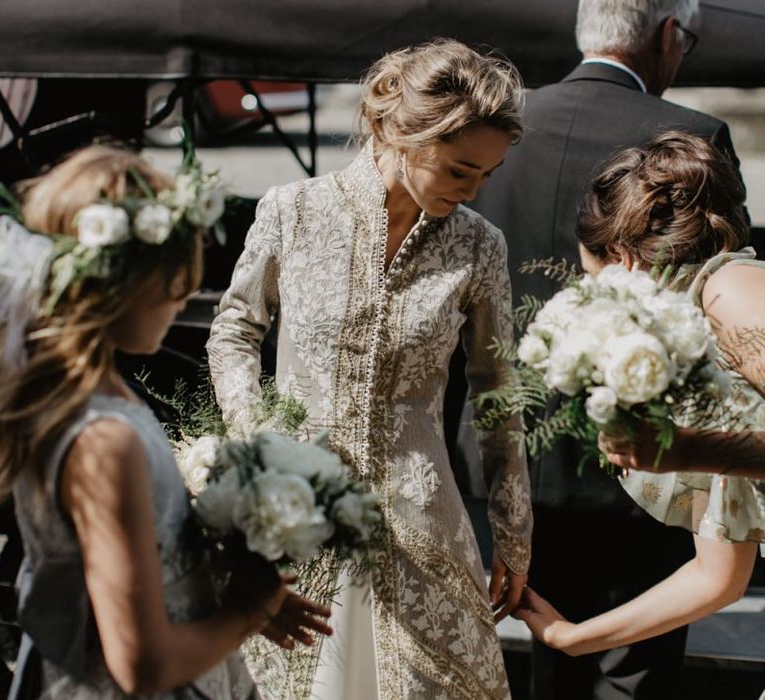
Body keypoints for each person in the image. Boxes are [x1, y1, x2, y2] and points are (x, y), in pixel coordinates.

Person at [207, 38, 533, 700]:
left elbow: (498, 393)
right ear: (400, 133)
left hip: (420, 522)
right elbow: (235, 329)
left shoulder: (479, 244)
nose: (473, 190)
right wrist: (255, 437)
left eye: (486, 176)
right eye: (459, 170)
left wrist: (513, 531)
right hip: (294, 508)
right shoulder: (292, 211)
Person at [470, 1, 749, 698]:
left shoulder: (497, 130)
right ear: (666, 36)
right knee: (629, 678)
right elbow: (719, 576)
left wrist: (693, 449)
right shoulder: (698, 139)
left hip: (519, 454)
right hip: (642, 480)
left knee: (554, 679)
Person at [0, 145, 332, 699]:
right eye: (174, 279)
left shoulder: (88, 398)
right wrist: (246, 614)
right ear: (120, 284)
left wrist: (218, 592)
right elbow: (142, 665)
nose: (183, 299)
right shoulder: (103, 440)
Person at [515, 130, 761, 659]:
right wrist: (576, 638)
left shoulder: (728, 288)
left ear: (624, 258)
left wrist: (693, 450)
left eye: (588, 276)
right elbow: (718, 576)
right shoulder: (694, 357)